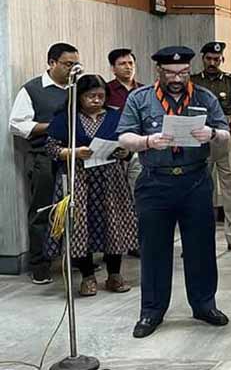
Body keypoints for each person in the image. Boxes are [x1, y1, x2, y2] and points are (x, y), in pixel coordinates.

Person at [117, 46, 231, 339]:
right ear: (159, 71)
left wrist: (212, 134)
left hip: (195, 181)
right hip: (155, 182)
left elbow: (226, 134)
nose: (177, 78)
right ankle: (152, 310)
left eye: (183, 73)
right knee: (154, 249)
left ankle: (204, 305)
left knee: (201, 248)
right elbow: (124, 137)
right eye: (170, 73)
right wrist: (147, 141)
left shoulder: (204, 97)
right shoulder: (140, 98)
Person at [45, 75, 136, 296]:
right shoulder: (67, 118)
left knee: (113, 224)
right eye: (90, 96)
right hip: (78, 178)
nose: (96, 100)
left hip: (110, 179)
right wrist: (74, 152)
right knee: (79, 226)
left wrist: (124, 152)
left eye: (100, 96)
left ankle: (114, 275)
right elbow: (51, 148)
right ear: (79, 97)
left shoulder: (116, 116)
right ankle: (87, 277)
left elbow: (128, 146)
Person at [9, 42, 80, 285]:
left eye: (76, 65)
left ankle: (76, 257)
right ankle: (39, 264)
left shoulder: (77, 88)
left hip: (74, 156)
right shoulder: (33, 89)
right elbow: (17, 124)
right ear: (51, 63)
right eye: (68, 64)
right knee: (43, 210)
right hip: (44, 157)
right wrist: (52, 127)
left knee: (75, 209)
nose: (72, 70)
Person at [191, 41, 231, 255]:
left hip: (226, 139)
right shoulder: (193, 82)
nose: (212, 63)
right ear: (203, 59)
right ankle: (198, 237)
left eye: (217, 59)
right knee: (200, 188)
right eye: (209, 59)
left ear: (222, 59)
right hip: (201, 139)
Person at [106, 48, 143, 256]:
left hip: (138, 149)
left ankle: (136, 241)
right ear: (113, 68)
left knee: (138, 195)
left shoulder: (144, 91)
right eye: (122, 64)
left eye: (130, 63)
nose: (128, 67)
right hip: (113, 151)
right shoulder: (106, 91)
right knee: (116, 199)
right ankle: (114, 244)